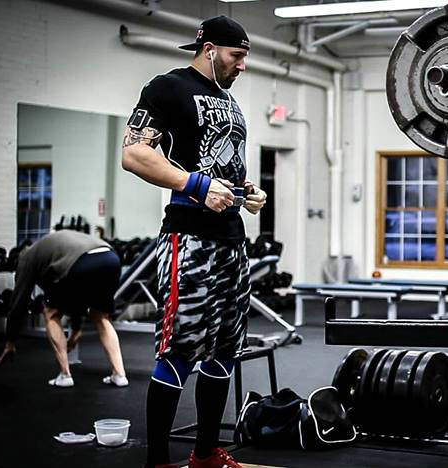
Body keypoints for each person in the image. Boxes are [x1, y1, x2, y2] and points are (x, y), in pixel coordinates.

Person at [121, 15, 266, 468]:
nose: (242, 66)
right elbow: (134, 154)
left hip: (231, 241)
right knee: (180, 350)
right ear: (209, 50)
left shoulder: (231, 103)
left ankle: (205, 454)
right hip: (189, 239)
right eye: (237, 56)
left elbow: (226, 167)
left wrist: (247, 191)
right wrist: (196, 186)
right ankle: (160, 461)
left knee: (225, 350)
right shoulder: (168, 87)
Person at [0, 230, 128, 387]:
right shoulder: (51, 246)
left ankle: (65, 375)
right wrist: (76, 329)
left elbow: (18, 302)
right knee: (100, 316)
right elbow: (78, 297)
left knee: (51, 312)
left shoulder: (26, 258)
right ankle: (120, 375)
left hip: (81, 263)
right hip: (110, 259)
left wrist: (10, 340)